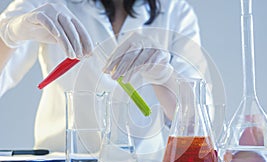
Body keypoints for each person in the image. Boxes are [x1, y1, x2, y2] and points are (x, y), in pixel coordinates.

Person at [0, 0, 210, 152]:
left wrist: (164, 75)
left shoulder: (176, 10)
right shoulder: (46, 3)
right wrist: (9, 34)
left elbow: (198, 122)